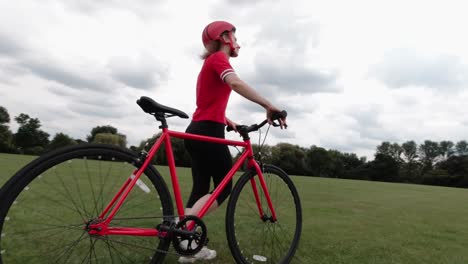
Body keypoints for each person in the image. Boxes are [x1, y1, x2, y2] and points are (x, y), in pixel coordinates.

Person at [179, 21, 286, 263]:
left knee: (200, 190)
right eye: (235, 36)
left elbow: (206, 105)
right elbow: (235, 83)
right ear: (224, 37)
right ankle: (184, 230)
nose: (238, 42)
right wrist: (269, 105)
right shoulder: (219, 59)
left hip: (199, 130)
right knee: (224, 187)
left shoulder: (209, 63)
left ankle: (188, 244)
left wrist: (229, 121)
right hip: (208, 132)